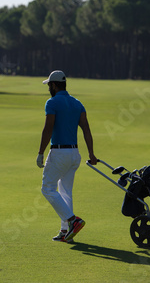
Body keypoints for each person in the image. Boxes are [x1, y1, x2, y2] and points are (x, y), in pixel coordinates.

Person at [36, 70, 97, 243]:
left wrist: (40, 152)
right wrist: (91, 153)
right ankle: (65, 230)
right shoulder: (77, 103)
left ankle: (73, 221)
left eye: (49, 85)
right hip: (74, 154)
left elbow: (48, 129)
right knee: (65, 192)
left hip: (59, 152)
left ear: (54, 85)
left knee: (47, 188)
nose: (48, 88)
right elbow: (86, 129)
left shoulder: (52, 102)